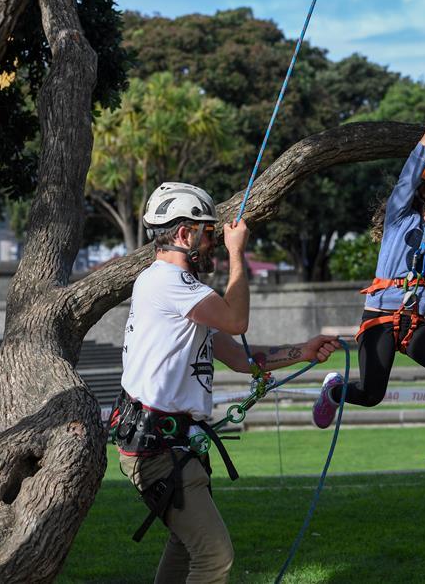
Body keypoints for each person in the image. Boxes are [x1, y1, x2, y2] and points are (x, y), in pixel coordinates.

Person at [111, 181, 341, 584]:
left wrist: (302, 351)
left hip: (169, 444)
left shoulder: (178, 294)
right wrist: (239, 252)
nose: (214, 242)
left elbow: (239, 355)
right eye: (210, 233)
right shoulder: (167, 282)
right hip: (159, 448)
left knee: (186, 548)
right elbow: (238, 321)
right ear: (184, 234)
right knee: (215, 557)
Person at [312, 114, 425, 481]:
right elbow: (405, 181)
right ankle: (335, 391)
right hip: (379, 318)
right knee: (372, 394)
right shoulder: (399, 218)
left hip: (413, 323)